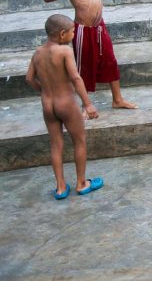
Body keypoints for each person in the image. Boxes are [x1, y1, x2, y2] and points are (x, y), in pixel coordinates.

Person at [43, 0, 137, 110]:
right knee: (83, 65)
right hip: (82, 29)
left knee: (110, 60)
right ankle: (86, 105)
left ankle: (117, 100)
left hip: (100, 26)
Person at [26, 14, 104, 199]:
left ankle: (60, 187)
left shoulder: (37, 53)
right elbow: (76, 79)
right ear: (62, 34)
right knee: (79, 141)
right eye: (72, 31)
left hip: (48, 104)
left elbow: (29, 78)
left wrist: (44, 90)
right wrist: (88, 104)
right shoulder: (64, 51)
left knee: (56, 145)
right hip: (66, 103)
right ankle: (82, 183)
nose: (73, 34)